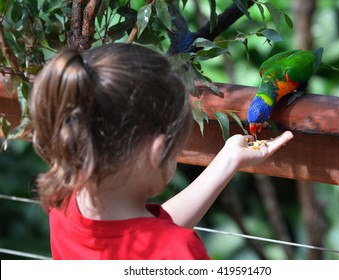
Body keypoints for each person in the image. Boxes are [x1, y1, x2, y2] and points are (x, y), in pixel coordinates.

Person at [29, 43, 293, 260]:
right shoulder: (178, 252)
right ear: (157, 152)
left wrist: (228, 160)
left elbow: (143, 236)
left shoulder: (65, 200)